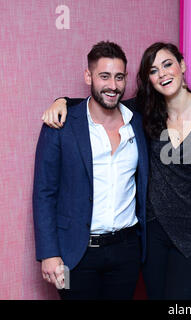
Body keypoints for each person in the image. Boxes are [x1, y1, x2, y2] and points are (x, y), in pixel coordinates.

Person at [41, 45, 191, 300]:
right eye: (153, 70)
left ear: (182, 65)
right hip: (153, 232)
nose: (162, 74)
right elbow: (104, 100)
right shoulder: (143, 110)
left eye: (168, 64)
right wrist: (65, 102)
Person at [33, 41, 149, 300]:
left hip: (126, 251)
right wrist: (49, 254)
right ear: (89, 76)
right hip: (75, 254)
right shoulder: (61, 123)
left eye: (119, 77)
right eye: (104, 76)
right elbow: (44, 192)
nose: (113, 85)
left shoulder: (137, 123)